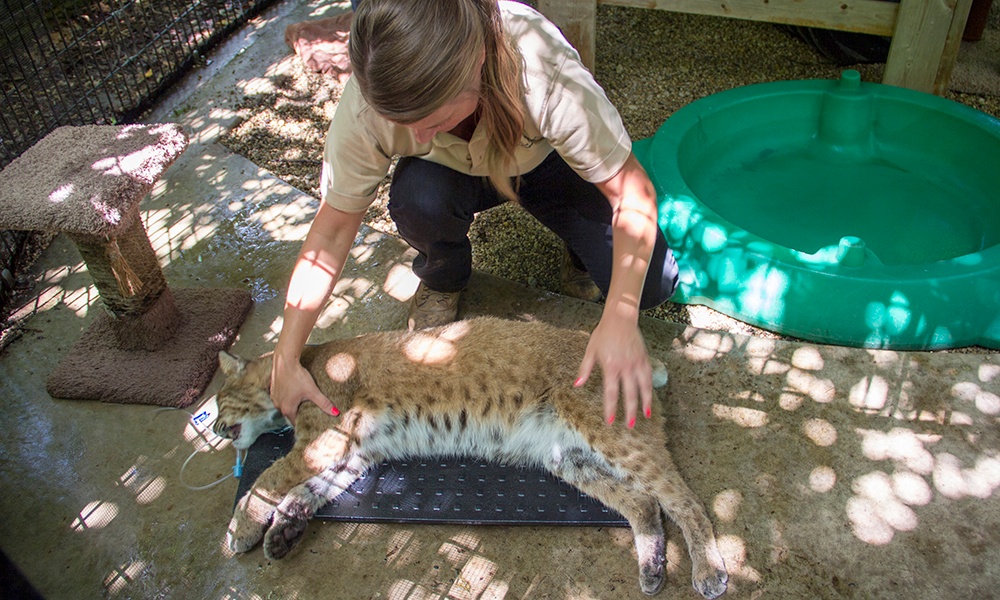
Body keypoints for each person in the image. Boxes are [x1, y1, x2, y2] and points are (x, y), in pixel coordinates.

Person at [270, 0, 679, 431]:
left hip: (547, 162)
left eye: (431, 120)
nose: (413, 138)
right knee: (416, 199)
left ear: (477, 64)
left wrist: (620, 314)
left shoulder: (540, 68)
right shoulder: (367, 100)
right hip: (453, 172)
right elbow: (332, 231)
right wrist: (286, 354)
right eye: (400, 122)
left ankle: (577, 246)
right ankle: (443, 278)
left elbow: (632, 191)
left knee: (651, 283)